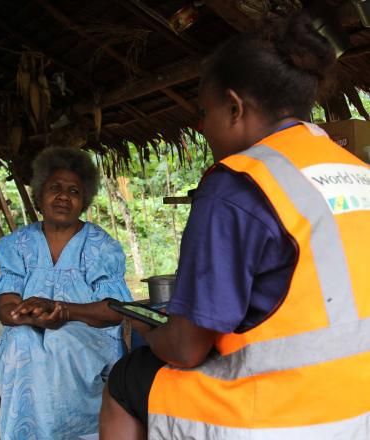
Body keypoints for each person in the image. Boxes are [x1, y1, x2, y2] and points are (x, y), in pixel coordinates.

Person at [100, 11, 370, 440]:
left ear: (234, 107)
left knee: (127, 376)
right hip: (359, 404)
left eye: (204, 114)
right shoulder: (354, 169)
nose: (202, 129)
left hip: (286, 417)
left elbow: (188, 349)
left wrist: (153, 333)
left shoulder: (236, 184)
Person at [0, 147, 133, 439]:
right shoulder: (15, 245)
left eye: (74, 191)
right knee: (20, 341)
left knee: (61, 341)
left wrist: (65, 312)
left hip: (88, 334)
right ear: (40, 194)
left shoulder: (100, 247)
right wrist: (26, 317)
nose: (64, 196)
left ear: (84, 202)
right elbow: (6, 303)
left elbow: (114, 309)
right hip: (29, 329)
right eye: (55, 188)